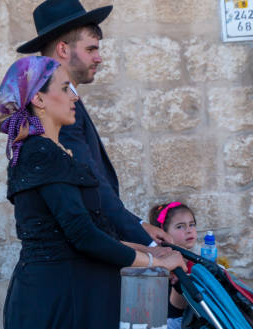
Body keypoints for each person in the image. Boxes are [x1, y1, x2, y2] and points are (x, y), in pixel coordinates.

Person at [0, 56, 188, 329]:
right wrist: (151, 262)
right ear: (38, 99)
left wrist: (152, 252)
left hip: (73, 296)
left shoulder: (52, 151)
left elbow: (89, 228)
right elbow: (81, 235)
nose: (74, 97)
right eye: (65, 89)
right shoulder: (40, 152)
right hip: (59, 303)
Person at [17, 0, 171, 250]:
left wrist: (140, 225)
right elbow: (92, 185)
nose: (99, 58)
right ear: (63, 50)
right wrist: (152, 249)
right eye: (91, 49)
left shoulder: (62, 102)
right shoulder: (56, 114)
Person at [149, 202, 199, 329]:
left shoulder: (194, 261)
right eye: (180, 226)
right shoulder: (165, 264)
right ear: (163, 234)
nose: (189, 230)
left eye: (192, 224)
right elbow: (174, 309)